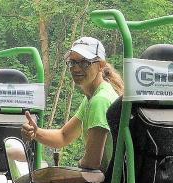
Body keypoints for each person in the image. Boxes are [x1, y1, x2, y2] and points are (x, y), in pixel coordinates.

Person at [21, 36, 123, 172]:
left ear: (100, 65)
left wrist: (79, 164)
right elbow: (63, 136)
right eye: (73, 62)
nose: (76, 68)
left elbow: (92, 162)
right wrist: (36, 132)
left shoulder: (100, 100)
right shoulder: (91, 99)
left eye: (84, 63)